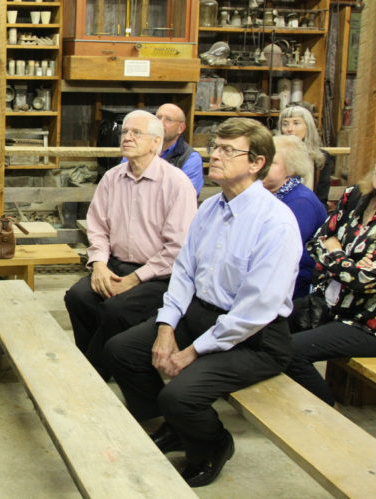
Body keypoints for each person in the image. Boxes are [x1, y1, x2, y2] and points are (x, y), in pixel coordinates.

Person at [104, 118, 301, 488]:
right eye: (216, 147)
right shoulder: (210, 208)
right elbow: (183, 274)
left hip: (253, 337)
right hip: (202, 316)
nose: (215, 155)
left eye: (228, 150)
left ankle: (213, 445)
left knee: (180, 395)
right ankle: (176, 429)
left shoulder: (275, 222)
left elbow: (257, 309)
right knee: (122, 350)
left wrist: (193, 350)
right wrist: (166, 328)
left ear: (256, 163)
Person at [64, 110, 197, 377]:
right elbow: (98, 227)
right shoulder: (112, 178)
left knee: (116, 308)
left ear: (156, 143)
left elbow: (176, 248)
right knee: (78, 297)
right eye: (125, 132)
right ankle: (98, 363)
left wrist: (135, 278)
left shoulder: (176, 183)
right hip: (115, 264)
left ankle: (92, 372)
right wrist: (99, 263)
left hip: (158, 275)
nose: (127, 137)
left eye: (136, 133)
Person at [285, 137, 376, 405]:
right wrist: (348, 262)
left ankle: (324, 415)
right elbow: (315, 242)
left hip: (372, 325)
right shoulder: (355, 195)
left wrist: (336, 251)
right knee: (262, 328)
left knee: (291, 351)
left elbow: (366, 281)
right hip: (330, 306)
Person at [263, 135, 328, 298]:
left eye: (273, 162)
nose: (263, 166)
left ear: (290, 169)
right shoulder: (268, 194)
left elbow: (280, 252)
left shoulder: (300, 202)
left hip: (294, 287)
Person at [280, 104, 335, 204]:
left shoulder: (322, 158)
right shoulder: (275, 156)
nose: (289, 129)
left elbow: (321, 198)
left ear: (308, 127)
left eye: (296, 123)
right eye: (285, 124)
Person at [155, 103, 204, 194]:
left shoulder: (190, 158)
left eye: (168, 120)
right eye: (158, 118)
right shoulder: (140, 149)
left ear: (180, 128)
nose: (160, 123)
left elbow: (184, 197)